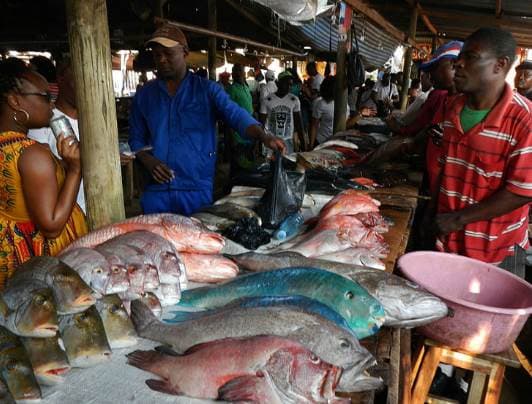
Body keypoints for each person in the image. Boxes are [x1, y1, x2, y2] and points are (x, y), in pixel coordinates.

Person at [129, 22, 285, 216]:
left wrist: (263, 136)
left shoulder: (207, 90)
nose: (161, 60)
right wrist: (148, 160)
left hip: (195, 189)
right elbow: (136, 139)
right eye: (156, 54)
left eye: (168, 54)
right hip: (156, 191)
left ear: (185, 53)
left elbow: (235, 115)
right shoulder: (144, 95)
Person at [427, 27, 532, 264]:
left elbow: (522, 192)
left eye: (471, 57)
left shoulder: (524, 119)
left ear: (500, 65)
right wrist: (431, 214)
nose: (459, 64)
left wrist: (458, 219)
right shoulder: (452, 108)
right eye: (459, 58)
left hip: (499, 252)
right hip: (449, 244)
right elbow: (445, 170)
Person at [0, 59, 87, 288]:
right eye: (44, 97)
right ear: (15, 101)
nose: (52, 104)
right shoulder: (31, 155)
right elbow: (51, 225)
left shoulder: (6, 148)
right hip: (37, 267)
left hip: (9, 259)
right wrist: (75, 170)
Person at [28, 60, 86, 213]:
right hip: (65, 213)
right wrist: (72, 164)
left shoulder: (91, 121)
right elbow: (39, 173)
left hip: (92, 209)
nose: (84, 86)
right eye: (77, 80)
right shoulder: (43, 122)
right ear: (60, 78)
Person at [260, 70, 306, 153]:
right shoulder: (267, 100)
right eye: (286, 84)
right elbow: (261, 124)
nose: (289, 87)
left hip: (288, 141)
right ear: (278, 83)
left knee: (288, 163)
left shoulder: (294, 100)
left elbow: (299, 124)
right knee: (271, 164)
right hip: (271, 140)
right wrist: (258, 143)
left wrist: (303, 144)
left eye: (290, 85)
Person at [227, 63, 256, 173]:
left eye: (241, 71)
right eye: (236, 71)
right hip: (238, 135)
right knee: (238, 168)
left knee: (249, 166)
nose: (239, 73)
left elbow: (251, 110)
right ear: (232, 74)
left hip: (249, 132)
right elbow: (228, 115)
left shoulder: (246, 87)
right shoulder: (231, 89)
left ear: (244, 73)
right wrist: (232, 138)